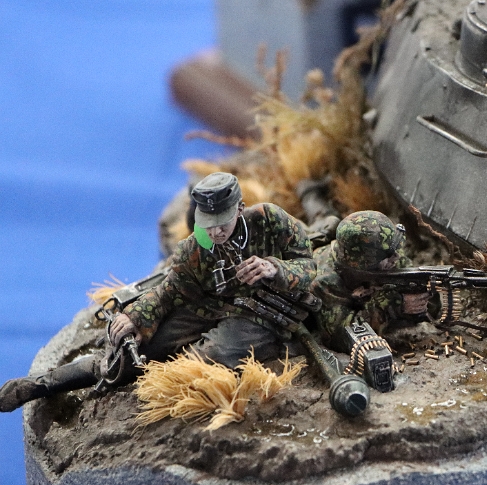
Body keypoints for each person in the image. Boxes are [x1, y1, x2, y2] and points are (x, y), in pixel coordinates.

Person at [0, 172, 317, 412]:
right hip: (208, 306)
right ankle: (39, 386)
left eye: (223, 221)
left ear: (240, 209)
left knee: (201, 364)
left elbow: (307, 266)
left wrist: (274, 269)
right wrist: (137, 317)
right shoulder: (198, 245)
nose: (216, 231)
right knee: (127, 355)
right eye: (208, 223)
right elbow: (170, 289)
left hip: (259, 313)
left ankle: (169, 392)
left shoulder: (269, 221)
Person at [310, 210, 431, 357]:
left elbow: (430, 305)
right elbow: (341, 336)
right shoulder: (324, 281)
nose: (396, 257)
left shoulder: (386, 256)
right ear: (365, 265)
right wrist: (392, 306)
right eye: (388, 256)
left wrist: (422, 294)